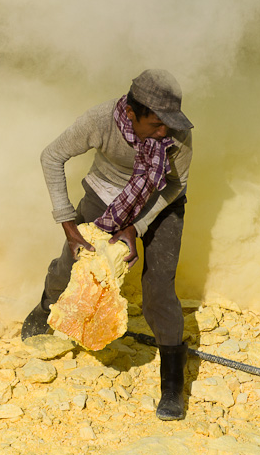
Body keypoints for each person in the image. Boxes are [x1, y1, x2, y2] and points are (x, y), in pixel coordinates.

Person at [21, 69, 193, 420]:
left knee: (159, 289)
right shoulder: (100, 121)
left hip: (161, 204)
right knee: (73, 266)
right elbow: (51, 156)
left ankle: (172, 384)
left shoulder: (177, 135)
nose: (166, 132)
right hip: (104, 195)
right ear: (132, 112)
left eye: (170, 124)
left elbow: (176, 184)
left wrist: (138, 225)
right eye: (157, 124)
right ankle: (44, 310)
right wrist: (67, 221)